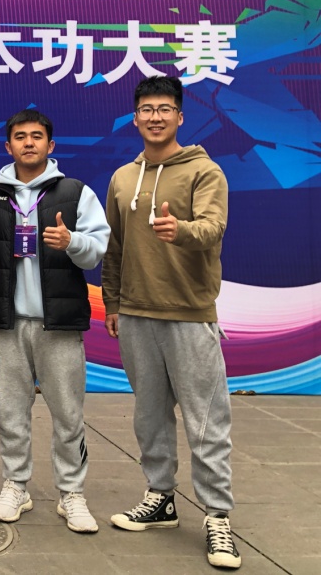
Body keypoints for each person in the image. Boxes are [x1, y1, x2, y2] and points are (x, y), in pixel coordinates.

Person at [103, 75, 240, 570]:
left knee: (206, 421)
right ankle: (160, 497)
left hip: (188, 314)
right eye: (146, 109)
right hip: (136, 314)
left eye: (164, 109)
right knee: (149, 415)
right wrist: (112, 303)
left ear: (180, 116)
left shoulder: (205, 172)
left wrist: (178, 230)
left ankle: (218, 517)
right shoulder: (123, 177)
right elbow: (115, 246)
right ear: (135, 117)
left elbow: (213, 228)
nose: (155, 117)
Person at [0, 109, 109, 533]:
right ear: (8, 146)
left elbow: (97, 249)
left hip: (59, 324)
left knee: (68, 414)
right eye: (20, 136)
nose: (28, 142)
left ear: (50, 145)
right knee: (10, 412)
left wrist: (72, 241)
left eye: (36, 136)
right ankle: (16, 485)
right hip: (9, 324)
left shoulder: (75, 192)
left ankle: (72, 493)